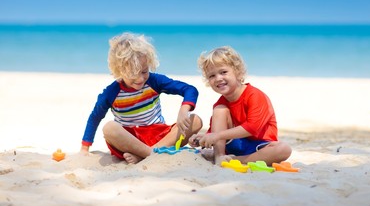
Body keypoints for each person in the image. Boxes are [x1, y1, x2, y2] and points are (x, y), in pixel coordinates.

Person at [80, 32, 203, 164]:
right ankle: (151, 153)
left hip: (159, 136)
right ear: (119, 71)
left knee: (196, 120)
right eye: (133, 74)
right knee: (109, 128)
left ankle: (146, 154)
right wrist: (85, 147)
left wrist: (184, 110)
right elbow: (95, 117)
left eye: (144, 71)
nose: (140, 79)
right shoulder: (112, 92)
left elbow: (190, 89)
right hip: (130, 141)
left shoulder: (154, 81)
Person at [189, 46, 291, 166]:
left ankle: (238, 160)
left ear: (237, 72)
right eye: (212, 76)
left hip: (260, 146)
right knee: (219, 110)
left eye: (223, 72)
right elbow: (216, 132)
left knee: (284, 149)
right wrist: (204, 138)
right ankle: (219, 157)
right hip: (233, 144)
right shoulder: (220, 104)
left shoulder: (255, 95)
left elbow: (252, 127)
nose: (218, 78)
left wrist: (217, 135)